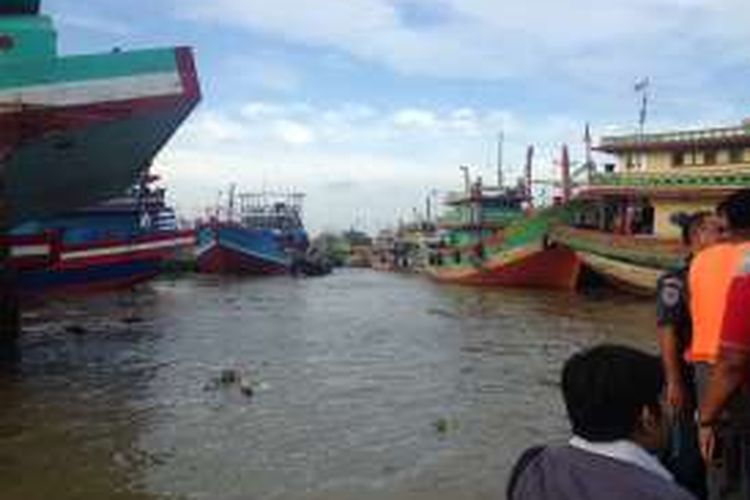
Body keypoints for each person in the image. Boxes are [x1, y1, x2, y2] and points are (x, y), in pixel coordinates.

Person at [507, 344, 694, 500]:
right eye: (663, 400)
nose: (670, 410)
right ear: (648, 418)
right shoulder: (666, 494)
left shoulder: (534, 467)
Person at [658, 211, 724, 498]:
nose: (724, 237)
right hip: (687, 377)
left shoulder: (723, 273)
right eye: (717, 231)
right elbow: (668, 329)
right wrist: (674, 381)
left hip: (714, 376)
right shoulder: (676, 280)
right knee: (687, 453)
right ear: (698, 236)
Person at [694, 189, 750, 499]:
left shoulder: (701, 260)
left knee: (718, 462)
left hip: (710, 370)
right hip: (733, 364)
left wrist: (706, 418)